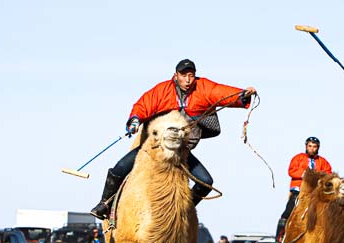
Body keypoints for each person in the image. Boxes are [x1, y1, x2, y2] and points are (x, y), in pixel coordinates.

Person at [91, 59, 257, 220]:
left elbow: (220, 92)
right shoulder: (163, 90)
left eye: (191, 75)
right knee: (119, 168)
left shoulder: (203, 87)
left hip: (181, 150)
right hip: (154, 147)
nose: (187, 79)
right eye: (183, 75)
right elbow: (144, 105)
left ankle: (185, 212)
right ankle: (104, 204)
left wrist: (242, 94)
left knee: (206, 182)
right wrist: (135, 120)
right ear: (176, 75)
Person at [275, 136, 333, 241]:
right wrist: (305, 174)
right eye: (310, 146)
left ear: (318, 148)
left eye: (314, 146)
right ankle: (279, 237)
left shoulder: (323, 161)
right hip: (299, 191)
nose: (312, 148)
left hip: (316, 193)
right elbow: (291, 171)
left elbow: (328, 173)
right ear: (306, 146)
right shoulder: (298, 158)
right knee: (288, 211)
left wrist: (319, 176)